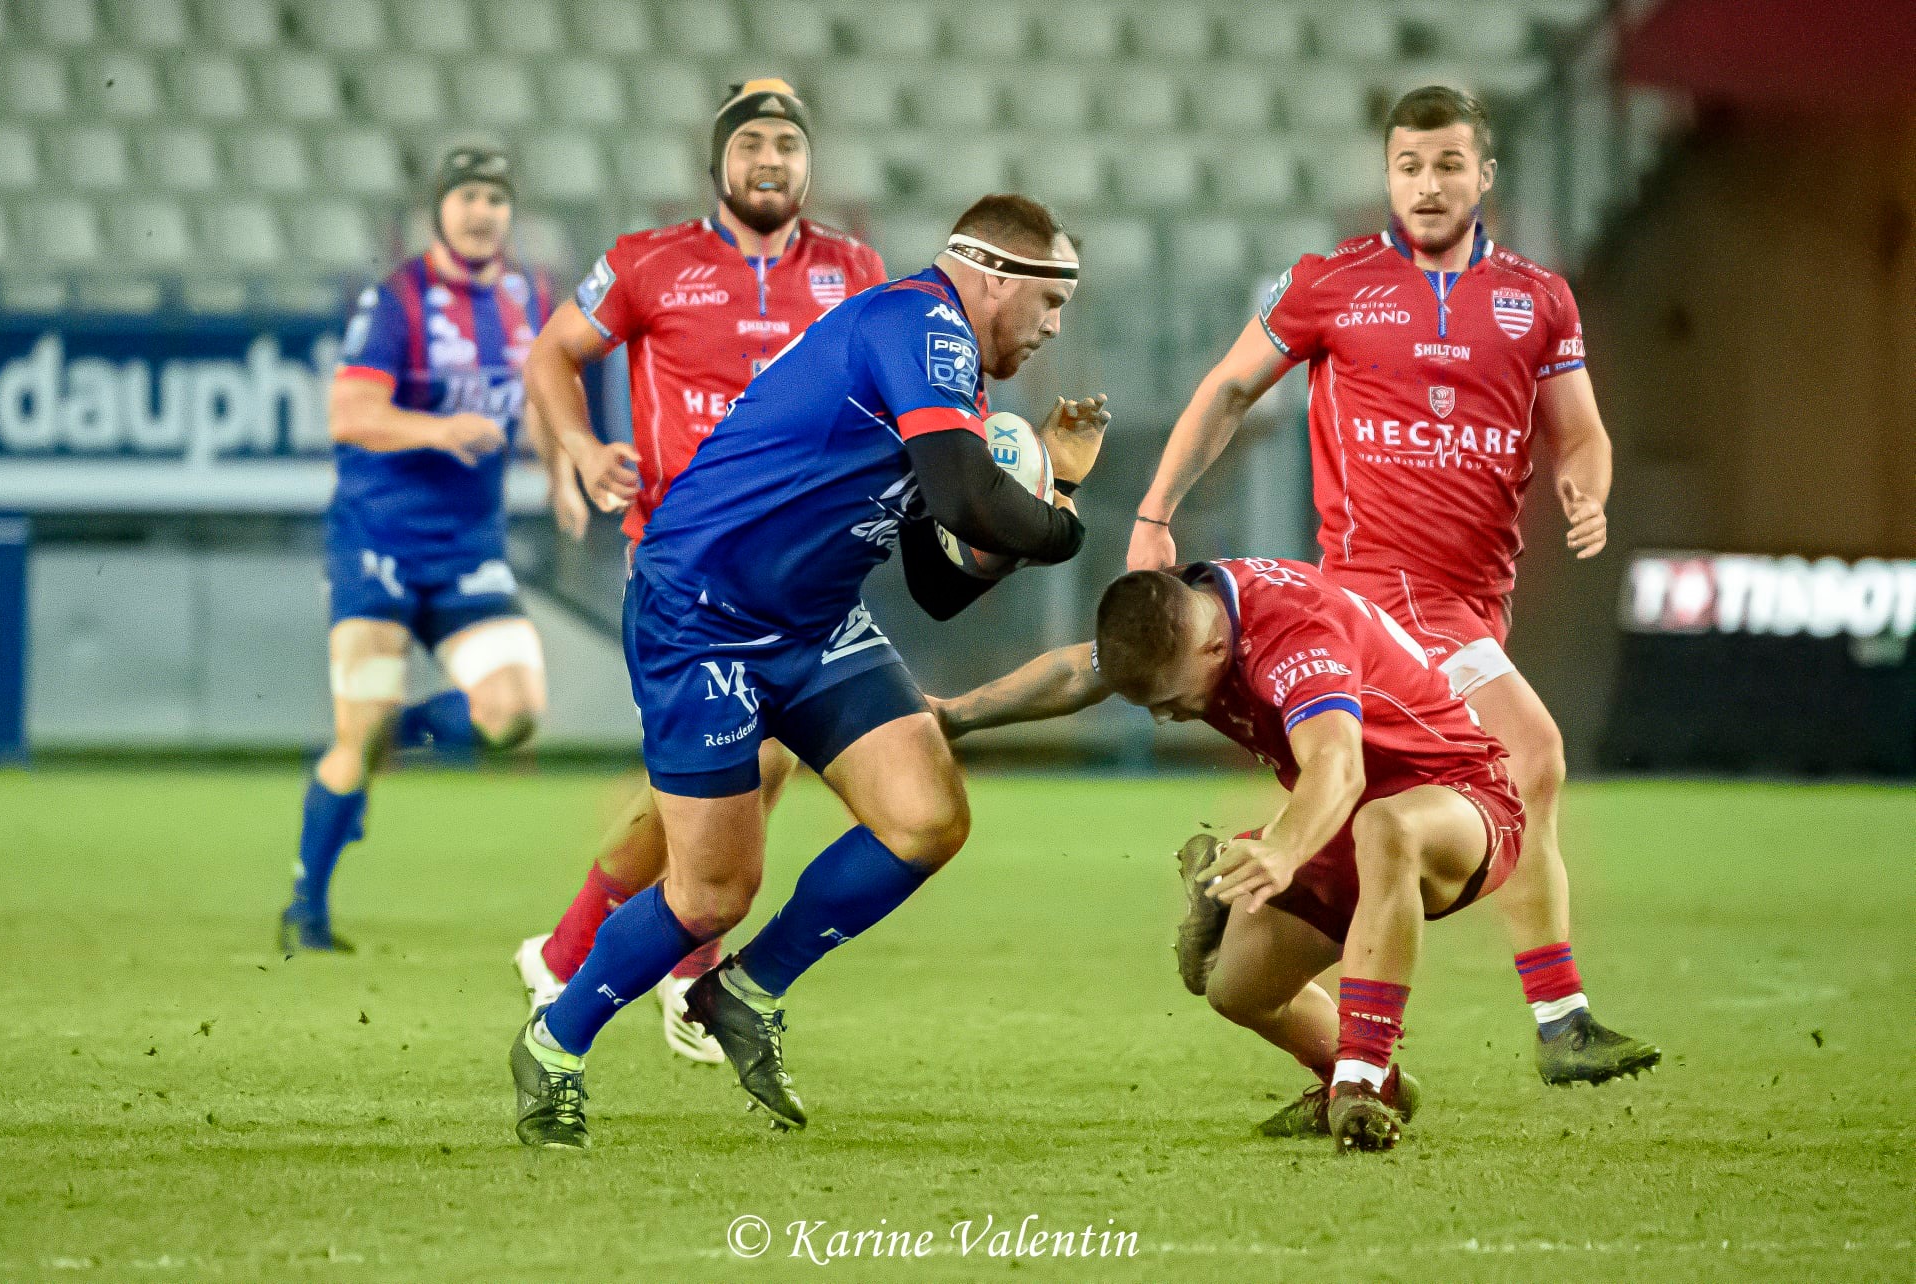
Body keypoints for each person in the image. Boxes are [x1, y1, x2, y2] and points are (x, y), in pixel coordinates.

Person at [508, 194, 1109, 1148]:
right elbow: (967, 495)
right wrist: (1065, 527)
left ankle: (741, 991)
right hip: (702, 615)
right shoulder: (918, 320)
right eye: (1051, 300)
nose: (1054, 326)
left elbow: (939, 580)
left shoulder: (944, 369)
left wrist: (1058, 488)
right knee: (711, 893)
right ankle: (554, 1043)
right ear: (994, 275)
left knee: (926, 819)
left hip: (816, 622)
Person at [1125, 86, 1658, 1085]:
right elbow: (1231, 385)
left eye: (1448, 165)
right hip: (1382, 593)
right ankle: (1561, 1021)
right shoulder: (1334, 284)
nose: (1427, 183)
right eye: (1409, 166)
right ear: (1387, 176)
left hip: (1473, 601)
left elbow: (1579, 429)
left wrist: (1589, 485)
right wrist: (1155, 512)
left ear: (1483, 176)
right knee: (1531, 754)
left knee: (1407, 799)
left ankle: (1246, 874)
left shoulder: (1537, 298)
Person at [513, 79, 889, 1062]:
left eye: (790, 144)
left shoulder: (854, 269)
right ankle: (687, 982)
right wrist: (583, 451)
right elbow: (552, 356)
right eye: (753, 141)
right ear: (718, 160)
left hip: (802, 569)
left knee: (715, 776)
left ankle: (570, 951)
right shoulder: (649, 263)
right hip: (686, 567)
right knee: (747, 762)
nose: (772, 159)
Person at [935, 557, 1542, 1152]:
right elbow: (1075, 672)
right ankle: (1368, 1086)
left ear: (1214, 653)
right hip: (1340, 821)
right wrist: (953, 716)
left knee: (1389, 828)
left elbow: (1339, 766)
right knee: (1238, 991)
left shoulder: (1295, 637)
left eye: (1170, 699)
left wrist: (1282, 847)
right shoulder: (1188, 611)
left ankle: (1360, 1077)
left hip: (1462, 802)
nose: (1163, 717)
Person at [280, 144, 553, 954]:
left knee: (515, 716)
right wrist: (440, 429)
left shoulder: (528, 297)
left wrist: (572, 454)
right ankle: (307, 909)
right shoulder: (397, 298)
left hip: (471, 547)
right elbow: (349, 414)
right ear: (438, 209)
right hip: (378, 543)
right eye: (466, 196)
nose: (481, 212)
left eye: (495, 199)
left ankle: (378, 736)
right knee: (353, 738)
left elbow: (538, 402)